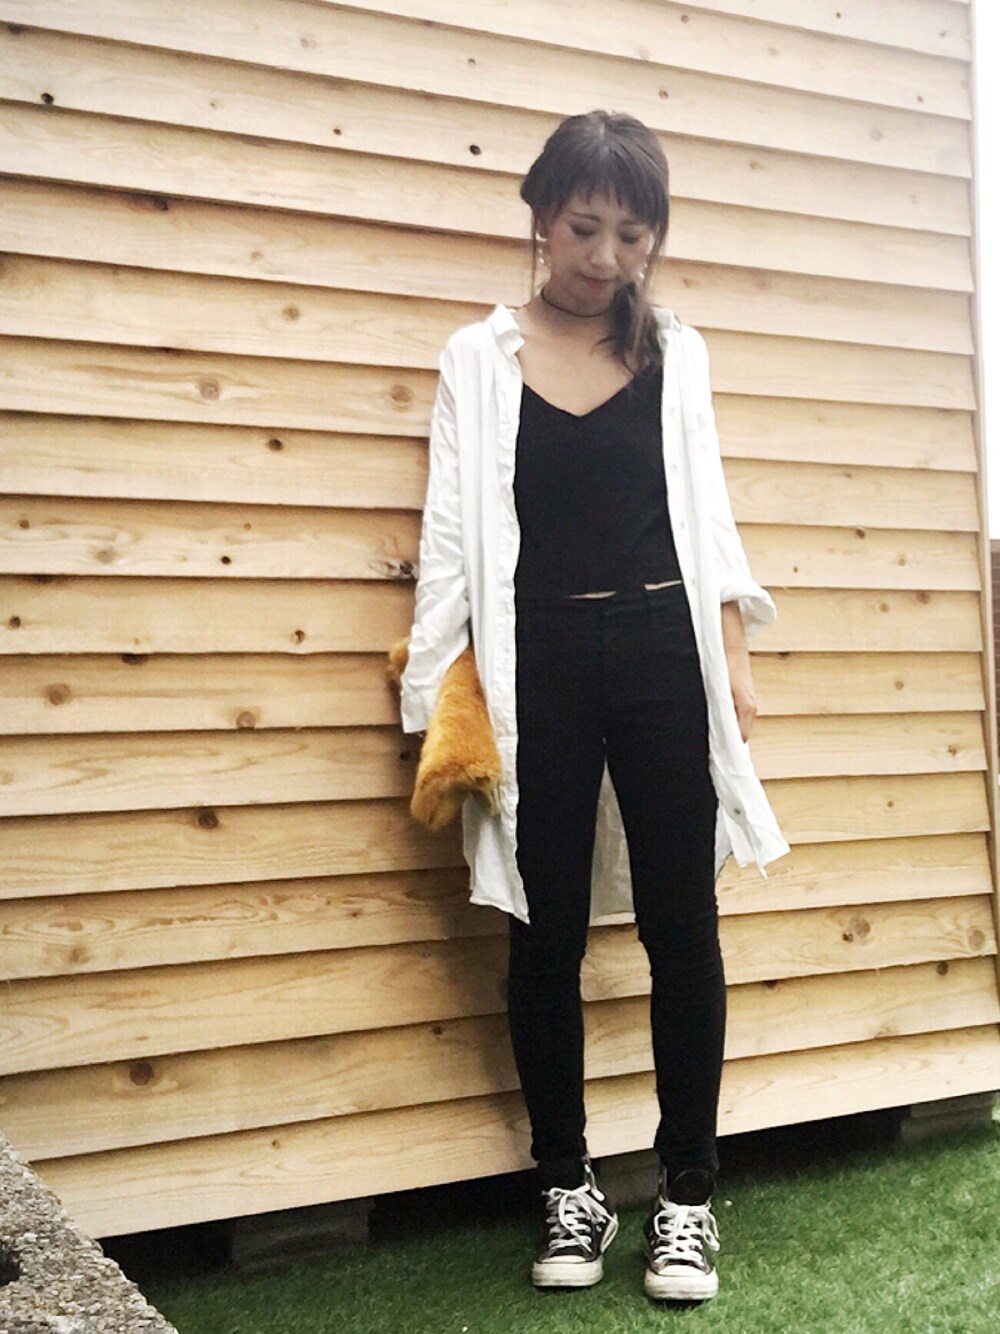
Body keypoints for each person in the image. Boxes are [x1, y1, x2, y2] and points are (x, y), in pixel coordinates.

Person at [399, 109, 789, 1303]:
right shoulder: (478, 358)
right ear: (540, 217)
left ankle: (686, 1196)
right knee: (544, 926)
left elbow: (707, 514)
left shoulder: (675, 350)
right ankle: (566, 1185)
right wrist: (436, 690)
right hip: (538, 658)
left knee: (682, 923)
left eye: (630, 232)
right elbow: (450, 534)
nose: (606, 256)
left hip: (665, 648)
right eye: (583, 228)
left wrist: (730, 658)